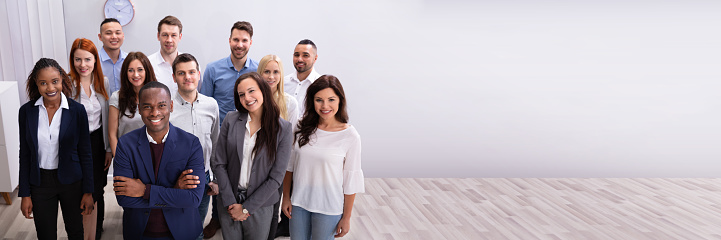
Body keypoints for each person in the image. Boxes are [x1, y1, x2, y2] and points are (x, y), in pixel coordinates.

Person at [113, 81, 205, 239]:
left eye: (161, 105)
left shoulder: (191, 143)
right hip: (141, 233)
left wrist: (145, 191)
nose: (155, 113)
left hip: (184, 232)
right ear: (139, 108)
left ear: (171, 106)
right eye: (147, 106)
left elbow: (193, 199)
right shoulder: (125, 144)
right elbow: (124, 199)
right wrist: (175, 192)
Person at [18, 58, 95, 240]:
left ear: (62, 80)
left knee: (75, 231)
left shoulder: (77, 111)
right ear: (36, 84)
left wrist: (88, 191)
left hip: (71, 182)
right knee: (45, 234)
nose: (50, 88)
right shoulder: (26, 112)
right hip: (40, 183)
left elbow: (86, 153)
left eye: (54, 82)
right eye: (43, 83)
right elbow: (25, 154)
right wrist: (25, 194)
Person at [211, 72, 292, 239]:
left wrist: (246, 208)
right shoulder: (230, 120)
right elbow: (219, 162)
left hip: (260, 204)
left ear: (263, 90)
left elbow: (276, 177)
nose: (247, 98)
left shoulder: (283, 129)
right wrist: (230, 201)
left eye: (251, 91)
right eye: (241, 94)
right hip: (229, 200)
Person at [282, 75, 364, 240]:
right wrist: (286, 198)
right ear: (312, 101)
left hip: (328, 207)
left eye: (331, 99)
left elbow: (351, 180)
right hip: (298, 204)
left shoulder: (350, 136)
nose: (325, 106)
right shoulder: (300, 126)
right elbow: (289, 166)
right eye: (319, 100)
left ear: (340, 100)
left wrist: (346, 218)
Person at [200, 21, 259, 238]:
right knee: (220, 175)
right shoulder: (213, 69)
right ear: (229, 40)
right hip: (221, 134)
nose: (240, 44)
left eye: (244, 40)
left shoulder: (257, 69)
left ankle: (244, 212)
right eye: (236, 39)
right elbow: (205, 101)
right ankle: (217, 217)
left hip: (250, 133)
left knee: (244, 176)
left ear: (250, 42)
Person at [168, 53, 220, 240]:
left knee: (196, 227)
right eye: (181, 73)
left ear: (199, 74)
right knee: (173, 228)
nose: (187, 77)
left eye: (191, 72)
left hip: (203, 179)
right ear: (174, 77)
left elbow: (214, 144)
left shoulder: (211, 105)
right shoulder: (167, 107)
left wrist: (214, 178)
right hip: (173, 180)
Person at [68, 38, 112, 240]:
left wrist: (108, 149)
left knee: (97, 188)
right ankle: (79, 231)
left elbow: (108, 118)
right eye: (78, 59)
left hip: (97, 143)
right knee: (78, 189)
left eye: (87, 59)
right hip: (76, 145)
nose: (82, 65)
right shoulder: (67, 85)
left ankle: (97, 229)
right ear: (72, 60)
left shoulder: (103, 82)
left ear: (95, 60)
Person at [256, 54, 299, 239]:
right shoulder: (252, 99)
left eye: (275, 72)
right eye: (266, 71)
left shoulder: (289, 102)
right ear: (260, 73)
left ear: (281, 75)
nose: (271, 77)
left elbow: (292, 140)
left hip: (277, 167)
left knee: (273, 208)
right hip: (255, 165)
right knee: (255, 207)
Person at [109, 52, 157, 160]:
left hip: (153, 157)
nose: (135, 75)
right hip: (126, 156)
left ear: (147, 71)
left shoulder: (157, 96)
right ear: (125, 73)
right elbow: (112, 135)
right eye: (131, 70)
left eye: (140, 70)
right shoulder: (117, 97)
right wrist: (121, 162)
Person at [149, 15, 184, 94]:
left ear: (180, 37)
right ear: (158, 36)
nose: (169, 40)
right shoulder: (148, 64)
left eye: (173, 35)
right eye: (165, 35)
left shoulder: (191, 64)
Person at [283, 39, 320, 115]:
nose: (300, 59)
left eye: (305, 55)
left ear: (315, 58)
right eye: (296, 55)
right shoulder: (283, 83)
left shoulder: (320, 85)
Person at [98, 18, 128, 93]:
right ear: (100, 37)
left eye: (118, 33)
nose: (114, 37)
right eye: (108, 33)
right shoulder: (93, 61)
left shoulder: (129, 60)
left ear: (123, 36)